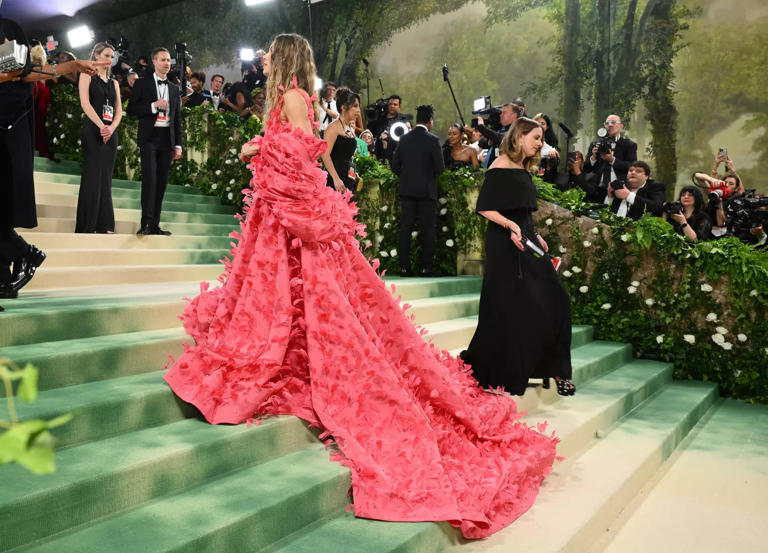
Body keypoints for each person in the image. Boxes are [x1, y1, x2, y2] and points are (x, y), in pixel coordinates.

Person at [163, 33, 557, 539]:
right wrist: (260, 146)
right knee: (293, 296)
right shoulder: (293, 99)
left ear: (283, 58)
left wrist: (283, 179)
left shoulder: (292, 97)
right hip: (280, 215)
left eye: (267, 52)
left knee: (318, 302)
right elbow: (295, 148)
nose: (261, 57)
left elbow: (302, 160)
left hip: (293, 216)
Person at [0, 14, 109, 310]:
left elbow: (29, 73)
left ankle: (18, 261)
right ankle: (20, 259)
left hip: (7, 129)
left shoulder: (9, 28)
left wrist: (72, 66)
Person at [460, 117, 574, 396]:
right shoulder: (499, 166)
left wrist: (534, 235)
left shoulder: (524, 168)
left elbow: (522, 212)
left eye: (541, 139)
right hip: (503, 242)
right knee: (506, 305)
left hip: (525, 240)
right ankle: (505, 370)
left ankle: (554, 368)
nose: (540, 144)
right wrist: (511, 226)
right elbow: (485, 208)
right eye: (536, 137)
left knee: (556, 298)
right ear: (520, 136)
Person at [126, 47, 183, 236]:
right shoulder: (142, 84)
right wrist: (153, 106)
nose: (167, 63)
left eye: (169, 60)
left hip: (167, 139)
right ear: (154, 62)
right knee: (149, 181)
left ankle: (156, 224)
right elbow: (132, 109)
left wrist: (178, 145)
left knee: (161, 183)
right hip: (149, 137)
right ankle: (147, 224)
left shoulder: (174, 89)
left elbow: (177, 120)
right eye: (163, 60)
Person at [391, 105, 445, 277]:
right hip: (426, 192)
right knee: (428, 230)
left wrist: (407, 177)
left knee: (405, 229)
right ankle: (426, 268)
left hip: (407, 191)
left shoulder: (404, 139)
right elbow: (440, 168)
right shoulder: (433, 140)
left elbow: (394, 166)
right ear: (430, 121)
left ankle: (404, 268)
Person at [75, 42, 122, 234]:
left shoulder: (115, 83)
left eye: (112, 57)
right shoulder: (86, 75)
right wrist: (101, 126)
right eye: (106, 55)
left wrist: (111, 128)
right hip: (93, 130)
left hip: (110, 133)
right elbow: (85, 103)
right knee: (92, 176)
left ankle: (105, 224)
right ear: (96, 55)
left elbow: (119, 110)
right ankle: (89, 224)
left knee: (106, 179)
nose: (109, 60)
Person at [320, 87, 361, 196]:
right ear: (343, 107)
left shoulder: (351, 128)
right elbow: (325, 155)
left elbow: (348, 157)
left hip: (348, 178)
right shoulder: (333, 128)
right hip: (335, 179)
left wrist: (353, 173)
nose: (358, 110)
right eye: (355, 106)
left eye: (358, 106)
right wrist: (335, 178)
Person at [583, 114, 637, 188]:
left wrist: (612, 160)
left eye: (613, 123)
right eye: (607, 123)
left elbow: (632, 167)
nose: (610, 125)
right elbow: (586, 169)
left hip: (620, 187)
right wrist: (593, 158)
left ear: (621, 126)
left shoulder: (629, 145)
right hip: (597, 188)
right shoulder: (595, 144)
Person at [475, 102, 521, 167]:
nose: (500, 115)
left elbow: (501, 138)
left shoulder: (517, 130)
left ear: (514, 115)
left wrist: (481, 127)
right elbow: (483, 142)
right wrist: (489, 142)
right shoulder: (501, 128)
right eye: (501, 112)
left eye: (504, 113)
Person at [534, 113, 559, 183]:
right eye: (537, 123)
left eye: (543, 123)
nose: (540, 125)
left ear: (547, 127)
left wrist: (552, 152)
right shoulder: (529, 135)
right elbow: (535, 153)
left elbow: (552, 150)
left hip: (546, 171)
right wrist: (548, 153)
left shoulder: (551, 139)